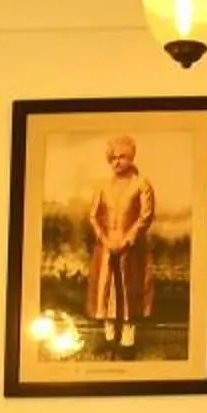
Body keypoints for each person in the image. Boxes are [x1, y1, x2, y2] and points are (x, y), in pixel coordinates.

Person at [84, 134, 159, 354]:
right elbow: (93, 215)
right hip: (106, 246)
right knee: (106, 288)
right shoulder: (102, 186)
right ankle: (108, 337)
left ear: (131, 157)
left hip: (131, 248)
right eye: (113, 158)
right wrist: (104, 239)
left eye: (122, 157)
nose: (117, 162)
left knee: (128, 288)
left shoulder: (141, 184)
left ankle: (128, 339)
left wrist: (127, 240)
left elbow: (146, 215)